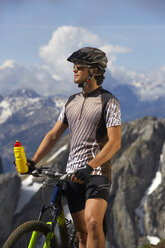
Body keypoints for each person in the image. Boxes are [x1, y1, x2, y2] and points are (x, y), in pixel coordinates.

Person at [28, 47, 121, 248]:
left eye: (79, 67)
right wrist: (33, 161)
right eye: (74, 67)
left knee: (94, 223)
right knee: (82, 236)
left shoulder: (108, 101)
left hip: (96, 171)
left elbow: (115, 142)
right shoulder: (71, 101)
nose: (74, 70)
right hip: (72, 174)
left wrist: (90, 166)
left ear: (94, 71)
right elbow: (53, 135)